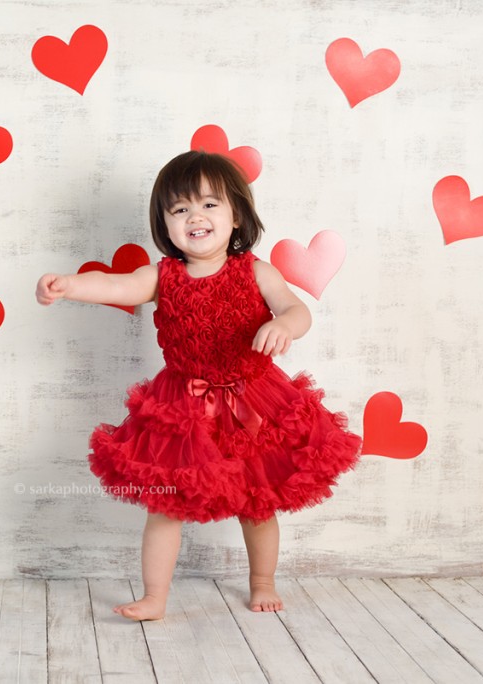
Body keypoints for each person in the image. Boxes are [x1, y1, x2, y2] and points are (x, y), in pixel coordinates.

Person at [36, 150, 362, 620]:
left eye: (210, 204)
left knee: (258, 500)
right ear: (165, 224)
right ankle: (154, 597)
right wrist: (70, 285)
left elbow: (297, 308)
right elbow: (120, 287)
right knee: (165, 505)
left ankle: (262, 581)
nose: (195, 216)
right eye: (180, 208)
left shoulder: (254, 270)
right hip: (184, 405)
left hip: (253, 397)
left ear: (236, 216)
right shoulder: (161, 276)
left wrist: (286, 326)